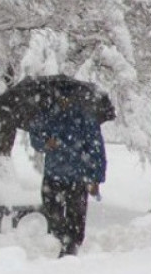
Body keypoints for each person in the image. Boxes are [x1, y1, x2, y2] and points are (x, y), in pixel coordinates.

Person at [28, 95, 107, 257]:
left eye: (66, 97)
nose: (63, 100)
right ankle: (62, 243)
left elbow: (96, 148)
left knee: (76, 217)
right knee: (53, 211)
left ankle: (71, 249)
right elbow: (35, 135)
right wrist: (45, 142)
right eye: (60, 97)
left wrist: (95, 178)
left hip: (77, 177)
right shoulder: (48, 113)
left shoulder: (85, 116)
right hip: (53, 174)